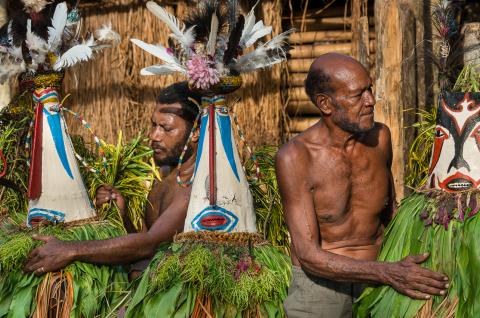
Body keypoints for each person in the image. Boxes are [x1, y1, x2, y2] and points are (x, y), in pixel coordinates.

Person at [275, 53, 449, 318]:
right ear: (325, 104)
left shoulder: (380, 138)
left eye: (370, 89)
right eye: (358, 95)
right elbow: (308, 254)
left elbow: (391, 215)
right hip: (322, 287)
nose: (371, 101)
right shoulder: (296, 158)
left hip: (383, 277)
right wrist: (387, 272)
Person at [24, 81, 201, 274]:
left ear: (196, 132)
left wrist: (71, 249)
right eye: (153, 125)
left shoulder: (192, 188)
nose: (154, 136)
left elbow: (149, 245)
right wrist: (123, 214)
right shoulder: (168, 172)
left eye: (166, 129)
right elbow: (148, 243)